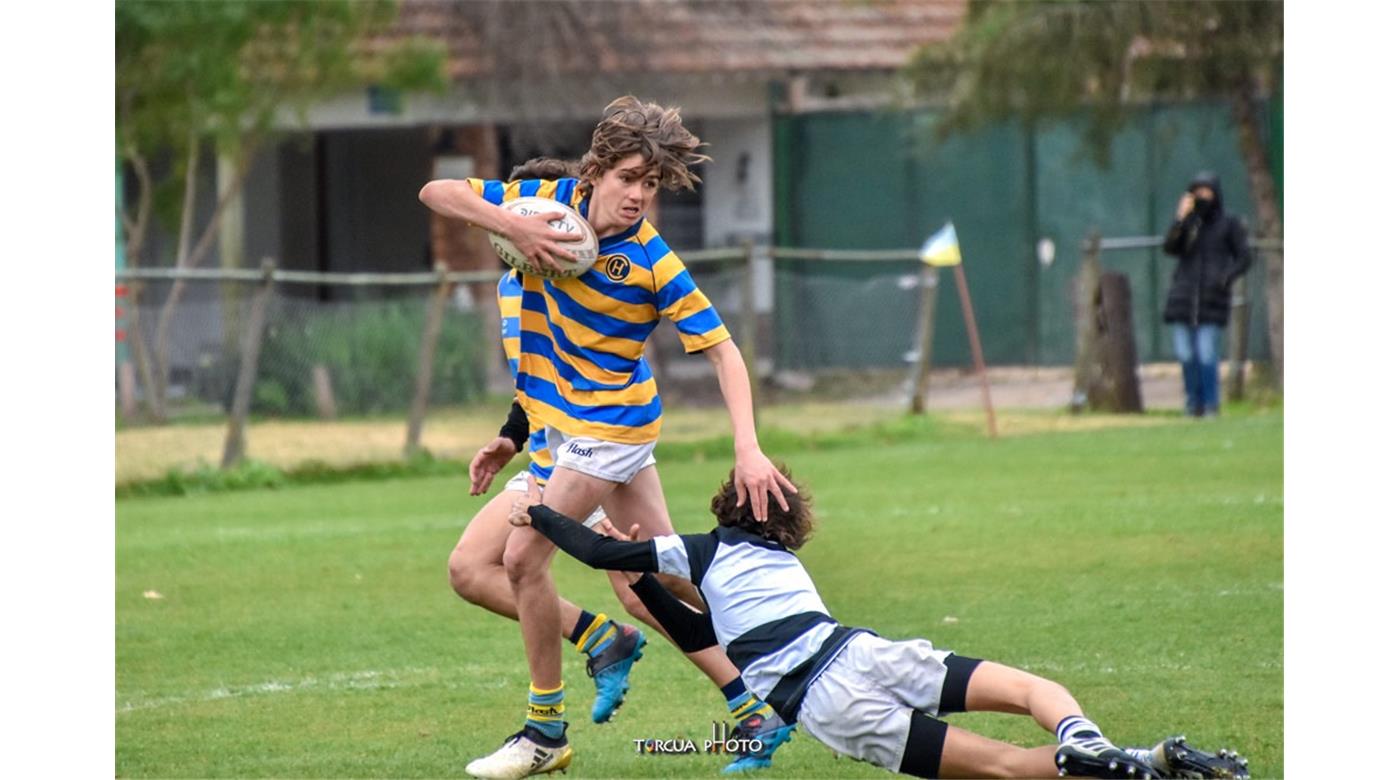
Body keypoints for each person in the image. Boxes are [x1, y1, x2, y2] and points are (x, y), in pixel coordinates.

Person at [419, 99, 794, 779]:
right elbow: (436, 191)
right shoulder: (542, 211)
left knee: (524, 556)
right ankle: (760, 690)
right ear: (593, 174)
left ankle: (544, 731)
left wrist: (748, 447)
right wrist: (510, 224)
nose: (640, 197)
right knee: (645, 579)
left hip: (613, 427)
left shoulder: (650, 258)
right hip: (560, 437)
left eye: (651, 185)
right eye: (629, 179)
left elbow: (724, 351)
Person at [509, 470, 1252, 780]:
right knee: (1034, 690)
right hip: (865, 652)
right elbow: (683, 620)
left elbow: (623, 565)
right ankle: (1123, 753)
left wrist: (539, 510)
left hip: (827, 702)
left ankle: (1117, 760)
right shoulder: (780, 567)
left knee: (997, 767)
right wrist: (631, 574)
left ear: (725, 508)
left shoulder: (705, 552)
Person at [1162, 171, 1253, 417]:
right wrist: (1180, 219)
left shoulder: (1228, 224)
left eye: (1207, 192)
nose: (1202, 197)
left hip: (1212, 300)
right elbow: (1170, 248)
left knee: (1206, 354)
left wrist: (1224, 278)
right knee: (1185, 355)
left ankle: (1211, 405)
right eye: (1197, 192)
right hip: (1183, 298)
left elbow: (1244, 257)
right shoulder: (1189, 224)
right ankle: (1193, 404)